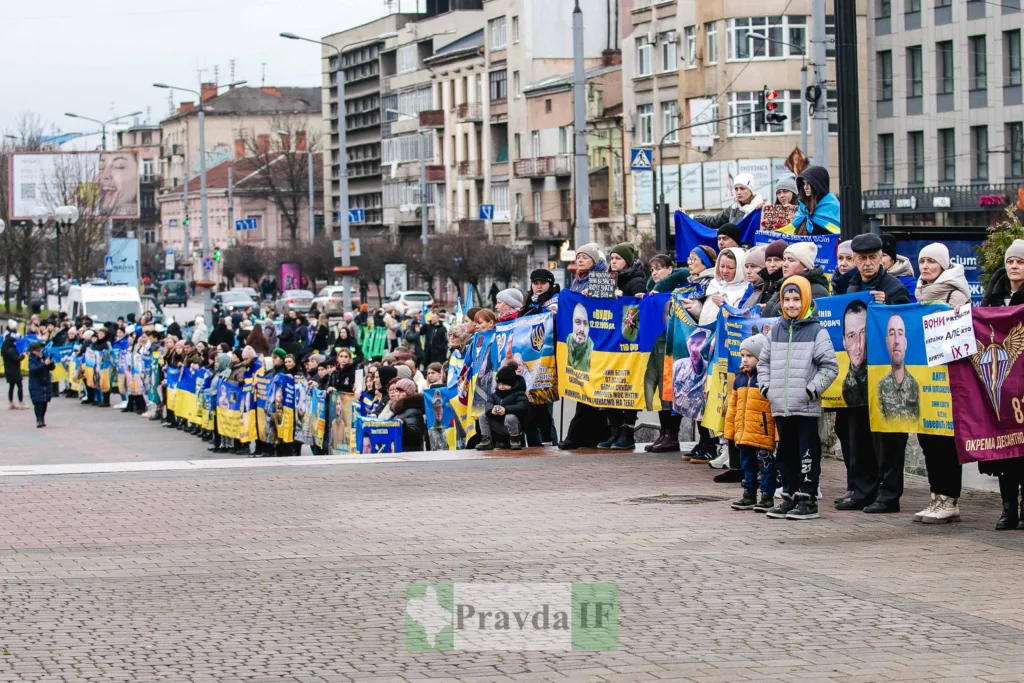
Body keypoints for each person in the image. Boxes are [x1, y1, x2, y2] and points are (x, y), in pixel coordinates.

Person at [837, 233, 911, 514]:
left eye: (872, 258)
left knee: (888, 438)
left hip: (884, 376)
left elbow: (901, 324)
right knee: (858, 437)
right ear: (854, 259)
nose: (867, 264)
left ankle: (889, 494)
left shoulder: (893, 287)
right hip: (857, 374)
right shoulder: (848, 284)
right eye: (862, 259)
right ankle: (863, 490)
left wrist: (886, 305)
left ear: (882, 258)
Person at [757, 276, 839, 520]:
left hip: (804, 406)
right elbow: (763, 363)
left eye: (796, 299)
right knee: (785, 454)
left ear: (806, 300)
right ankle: (790, 495)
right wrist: (766, 389)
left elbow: (829, 367)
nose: (791, 304)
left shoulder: (817, 331)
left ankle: (807, 497)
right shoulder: (776, 330)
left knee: (806, 453)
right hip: (781, 406)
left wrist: (811, 390)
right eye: (787, 299)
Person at [977, 239, 1024, 530]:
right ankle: (1008, 509)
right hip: (1000, 386)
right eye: (1010, 262)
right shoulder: (992, 298)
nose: (1014, 266)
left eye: (1020, 262)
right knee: (1005, 449)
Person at [596, 242, 648, 450]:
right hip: (608, 343)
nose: (613, 262)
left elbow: (638, 310)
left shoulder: (636, 281)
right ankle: (614, 431)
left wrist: (623, 300)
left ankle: (627, 432)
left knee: (624, 388)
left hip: (627, 345)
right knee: (607, 387)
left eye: (617, 258)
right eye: (611, 258)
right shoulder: (606, 280)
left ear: (626, 260)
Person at [725, 334, 778, 512]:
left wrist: (777, 434)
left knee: (766, 467)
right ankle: (749, 495)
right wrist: (731, 431)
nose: (745, 360)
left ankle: (767, 497)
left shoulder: (766, 379)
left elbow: (775, 409)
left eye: (750, 356)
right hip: (745, 432)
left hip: (762, 433)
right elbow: (733, 408)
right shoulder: (739, 379)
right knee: (747, 465)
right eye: (742, 356)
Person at [643, 254, 690, 454]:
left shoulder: (679, 286)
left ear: (670, 270)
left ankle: (672, 435)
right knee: (660, 390)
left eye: (659, 268)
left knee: (670, 390)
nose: (655, 273)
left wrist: (662, 287)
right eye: (652, 269)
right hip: (658, 345)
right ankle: (664, 433)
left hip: (675, 345)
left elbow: (685, 273)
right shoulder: (652, 293)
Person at [761, 242, 830, 316]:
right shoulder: (784, 285)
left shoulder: (816, 291)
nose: (785, 264)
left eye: (791, 260)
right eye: (784, 260)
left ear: (805, 266)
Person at [476, 364, 529, 451]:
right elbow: (489, 402)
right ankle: (486, 439)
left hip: (514, 425)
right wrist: (491, 410)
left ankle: (515, 440)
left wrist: (506, 410)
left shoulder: (518, 393)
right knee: (482, 415)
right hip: (498, 424)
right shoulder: (495, 394)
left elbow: (522, 406)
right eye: (499, 384)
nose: (501, 387)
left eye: (504, 384)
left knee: (510, 417)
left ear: (511, 383)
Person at [781, 165, 840, 235]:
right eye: (804, 183)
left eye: (808, 183)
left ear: (818, 185)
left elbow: (836, 234)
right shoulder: (802, 210)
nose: (805, 187)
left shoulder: (831, 206)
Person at [693, 173, 765, 228]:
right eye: (736, 189)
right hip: (735, 247)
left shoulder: (761, 208)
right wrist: (690, 217)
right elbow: (714, 221)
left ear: (750, 190)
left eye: (742, 188)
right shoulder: (733, 208)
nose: (739, 192)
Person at [390, 378, 425, 451]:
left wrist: (403, 425)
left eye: (401, 391)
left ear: (408, 393)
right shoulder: (399, 410)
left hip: (409, 453)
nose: (397, 394)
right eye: (396, 391)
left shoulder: (413, 410)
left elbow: (415, 433)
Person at [28, 342, 55, 428]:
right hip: (36, 383)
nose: (39, 352)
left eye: (40, 350)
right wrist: (43, 364)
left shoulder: (44, 357)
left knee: (44, 403)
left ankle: (42, 418)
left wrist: (50, 363)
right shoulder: (32, 359)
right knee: (38, 403)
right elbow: (33, 369)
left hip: (46, 383)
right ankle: (38, 419)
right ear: (33, 351)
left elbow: (52, 368)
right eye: (37, 351)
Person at [2, 330, 26, 410]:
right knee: (19, 386)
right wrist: (22, 356)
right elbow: (16, 359)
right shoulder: (11, 350)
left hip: (8, 371)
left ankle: (11, 402)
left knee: (11, 387)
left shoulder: (5, 350)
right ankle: (20, 402)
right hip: (15, 371)